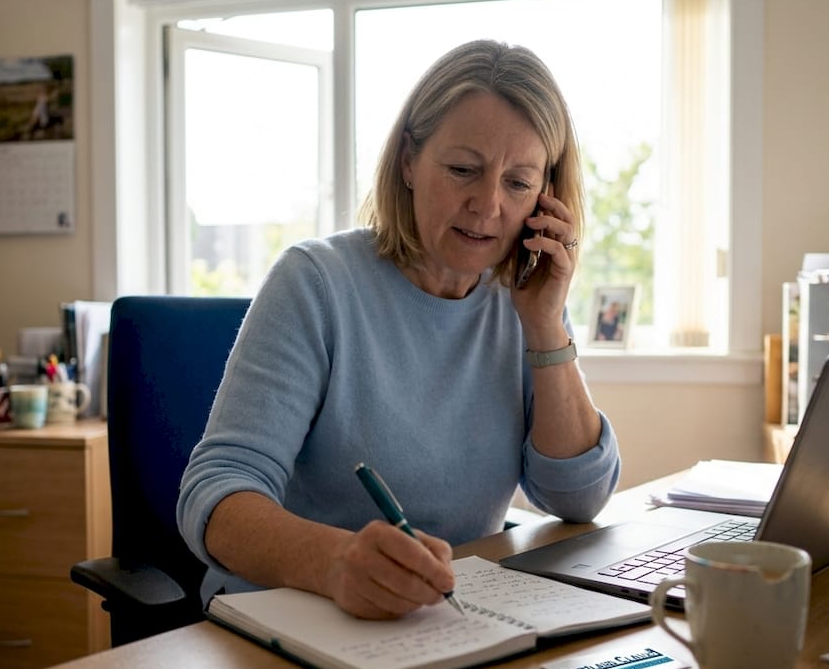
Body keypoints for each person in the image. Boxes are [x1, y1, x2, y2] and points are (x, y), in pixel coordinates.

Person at [177, 40, 621, 620]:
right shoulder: (316, 284)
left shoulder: (523, 303)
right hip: (291, 617)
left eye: (518, 183)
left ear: (546, 196)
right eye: (463, 169)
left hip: (445, 619)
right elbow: (215, 495)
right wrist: (335, 563)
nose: (487, 203)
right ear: (409, 161)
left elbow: (578, 499)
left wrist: (543, 326)